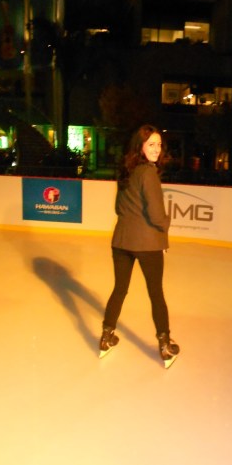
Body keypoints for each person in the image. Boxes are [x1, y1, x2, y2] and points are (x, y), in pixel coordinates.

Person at [100, 124, 180, 368]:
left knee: (119, 289)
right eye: (151, 144)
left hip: (121, 241)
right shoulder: (148, 173)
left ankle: (106, 336)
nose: (156, 149)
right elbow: (157, 215)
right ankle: (165, 346)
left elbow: (118, 208)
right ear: (140, 146)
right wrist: (165, 228)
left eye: (159, 144)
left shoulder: (125, 170)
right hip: (147, 243)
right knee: (156, 294)